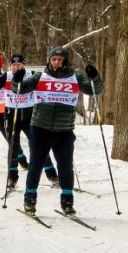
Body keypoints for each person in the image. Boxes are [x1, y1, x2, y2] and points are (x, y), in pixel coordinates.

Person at [12, 47, 104, 215]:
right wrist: (16, 80)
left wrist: (95, 77)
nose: (57, 62)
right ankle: (29, 200)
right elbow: (19, 89)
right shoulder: (40, 76)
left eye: (60, 60)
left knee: (65, 167)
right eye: (54, 59)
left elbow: (94, 90)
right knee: (35, 166)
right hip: (40, 128)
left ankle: (67, 202)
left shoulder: (75, 77)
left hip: (64, 130)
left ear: (65, 61)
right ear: (49, 60)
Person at [4, 53, 58, 190]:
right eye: (14, 65)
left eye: (19, 64)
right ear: (10, 66)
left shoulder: (32, 74)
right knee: (13, 147)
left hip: (30, 115)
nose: (16, 67)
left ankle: (52, 175)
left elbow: (48, 78)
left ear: (24, 65)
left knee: (39, 146)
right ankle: (12, 177)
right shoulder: (6, 76)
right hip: (12, 115)